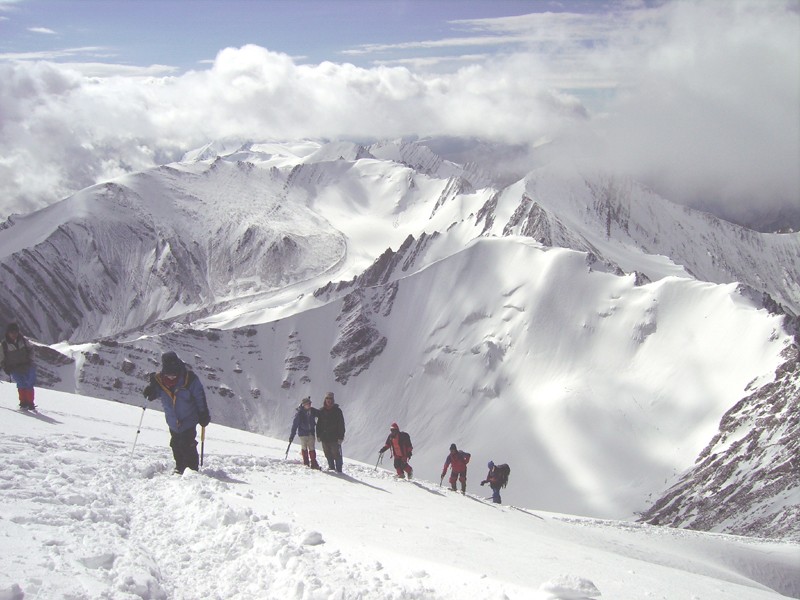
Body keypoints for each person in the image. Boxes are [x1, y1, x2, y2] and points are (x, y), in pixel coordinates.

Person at [143, 351, 210, 474]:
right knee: (175, 444)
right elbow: (155, 393)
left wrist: (203, 413)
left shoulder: (189, 379)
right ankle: (180, 466)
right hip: (173, 421)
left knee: (187, 443)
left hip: (188, 419)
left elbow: (200, 397)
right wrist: (150, 392)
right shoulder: (159, 381)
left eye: (174, 375)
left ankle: (192, 469)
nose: (172, 378)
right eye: (169, 376)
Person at [1, 323, 37, 410]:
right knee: (21, 384)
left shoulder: (24, 341)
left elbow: (31, 349)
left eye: (15, 332)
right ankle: (23, 402)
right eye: (12, 332)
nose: (14, 334)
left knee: (29, 384)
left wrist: (31, 360)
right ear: (8, 333)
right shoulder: (4, 345)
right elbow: (1, 357)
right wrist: (4, 367)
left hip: (28, 365)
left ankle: (30, 403)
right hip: (15, 368)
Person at [316, 391, 345, 472]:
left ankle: (339, 470)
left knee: (336, 454)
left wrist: (341, 437)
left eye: (330, 398)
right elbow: (319, 424)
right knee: (327, 453)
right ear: (325, 399)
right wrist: (318, 435)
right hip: (324, 437)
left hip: (335, 438)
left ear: (333, 400)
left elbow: (341, 425)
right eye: (327, 398)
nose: (329, 400)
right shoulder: (321, 411)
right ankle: (331, 467)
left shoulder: (337, 411)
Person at [290, 396, 321, 469]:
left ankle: (313, 463)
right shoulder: (300, 413)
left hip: (310, 433)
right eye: (308, 404)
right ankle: (306, 462)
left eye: (310, 403)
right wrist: (292, 435)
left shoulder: (312, 411)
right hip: (303, 434)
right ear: (304, 405)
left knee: (312, 448)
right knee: (304, 448)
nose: (309, 405)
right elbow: (295, 425)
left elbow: (320, 414)